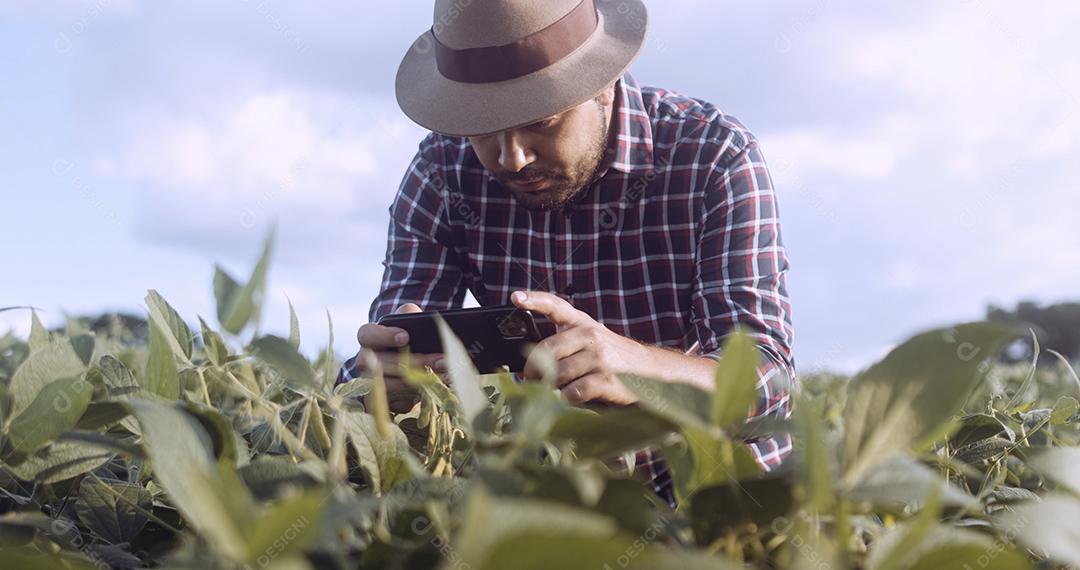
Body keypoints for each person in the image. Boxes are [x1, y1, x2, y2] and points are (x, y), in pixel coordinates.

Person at [338, 0, 795, 506]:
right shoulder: (442, 173)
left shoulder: (713, 157)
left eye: (542, 122)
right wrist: (382, 378)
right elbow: (384, 351)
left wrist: (637, 368)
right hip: (547, 512)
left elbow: (768, 385)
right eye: (484, 129)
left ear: (602, 83)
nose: (512, 158)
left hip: (718, 509)